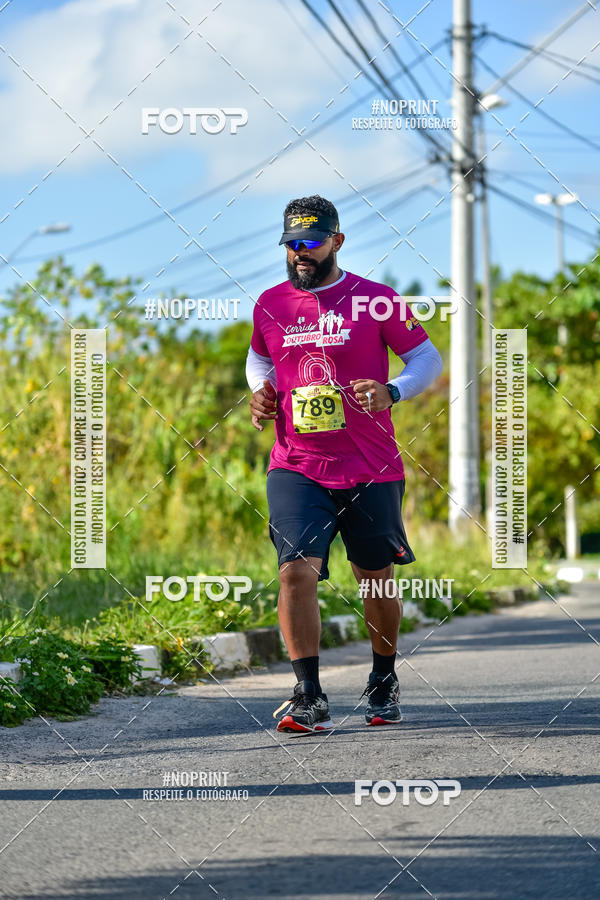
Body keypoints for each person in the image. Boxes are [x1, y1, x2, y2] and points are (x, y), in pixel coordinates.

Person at [246, 195, 443, 734]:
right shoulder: (270, 304)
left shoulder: (375, 300)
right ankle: (308, 695)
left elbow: (427, 358)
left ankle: (383, 678)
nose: (299, 256)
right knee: (294, 571)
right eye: (291, 246)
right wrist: (259, 391)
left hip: (370, 465)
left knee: (374, 578)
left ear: (337, 240)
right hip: (296, 462)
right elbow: (260, 356)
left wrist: (392, 391)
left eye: (310, 244)